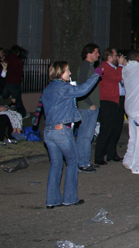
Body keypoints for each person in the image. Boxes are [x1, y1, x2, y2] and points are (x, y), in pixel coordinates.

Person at [40, 61, 100, 209]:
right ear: (60, 73)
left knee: (56, 165)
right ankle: (70, 198)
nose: (70, 74)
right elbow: (83, 90)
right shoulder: (63, 88)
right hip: (61, 130)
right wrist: (96, 75)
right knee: (73, 162)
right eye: (67, 71)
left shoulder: (47, 89)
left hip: (48, 131)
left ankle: (52, 200)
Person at [94, 48, 125, 165]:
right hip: (108, 101)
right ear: (110, 57)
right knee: (106, 130)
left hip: (117, 100)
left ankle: (111, 154)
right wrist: (121, 65)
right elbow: (117, 77)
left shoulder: (114, 68)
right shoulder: (103, 68)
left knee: (116, 129)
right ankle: (99, 156)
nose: (118, 58)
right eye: (116, 56)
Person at [75, 43, 101, 173]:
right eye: (96, 52)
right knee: (85, 136)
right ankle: (82, 163)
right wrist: (90, 102)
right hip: (87, 107)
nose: (98, 55)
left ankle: (85, 161)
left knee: (88, 135)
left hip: (90, 106)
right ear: (89, 53)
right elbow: (81, 86)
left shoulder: (90, 66)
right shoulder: (85, 66)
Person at [4, 45, 26, 117]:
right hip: (15, 82)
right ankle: (22, 114)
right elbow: (19, 71)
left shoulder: (7, 59)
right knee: (17, 99)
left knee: (5, 98)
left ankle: (3, 111)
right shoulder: (18, 60)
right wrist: (20, 78)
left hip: (7, 81)